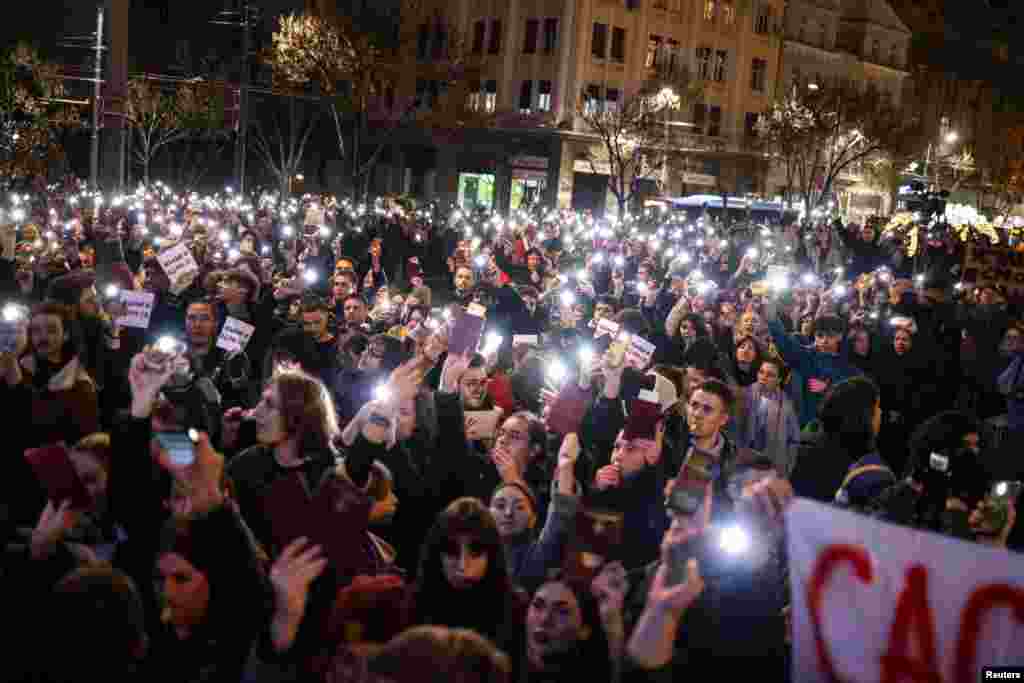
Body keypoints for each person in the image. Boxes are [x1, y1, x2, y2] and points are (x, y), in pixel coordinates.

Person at [490, 433, 580, 592]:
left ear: (533, 518)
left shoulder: (536, 557)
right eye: (500, 505)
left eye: (519, 507)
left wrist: (566, 465)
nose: (508, 513)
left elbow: (561, 512)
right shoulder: (477, 551)